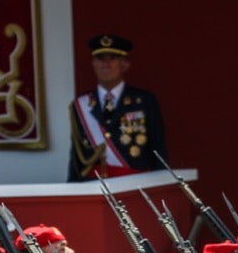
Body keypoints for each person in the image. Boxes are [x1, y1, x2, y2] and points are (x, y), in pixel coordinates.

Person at [67, 34, 166, 181]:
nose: (106, 64)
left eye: (112, 58)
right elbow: (77, 155)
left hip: (134, 184)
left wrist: (161, 184)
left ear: (124, 64)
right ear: (93, 63)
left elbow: (158, 148)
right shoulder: (81, 104)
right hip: (94, 185)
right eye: (100, 59)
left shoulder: (144, 101)